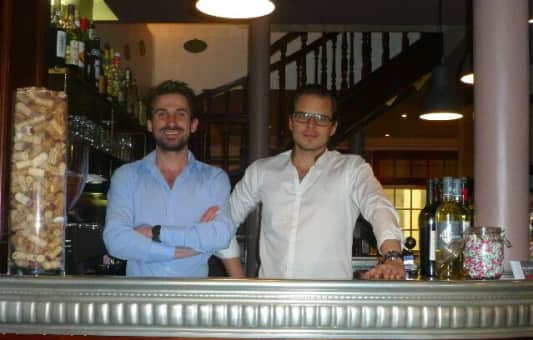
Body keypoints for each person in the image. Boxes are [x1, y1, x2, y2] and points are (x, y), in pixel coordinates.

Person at [218, 84, 404, 280]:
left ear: (333, 128)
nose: (311, 125)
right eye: (303, 116)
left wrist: (392, 256)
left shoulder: (352, 169)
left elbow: (377, 204)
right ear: (291, 122)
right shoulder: (261, 171)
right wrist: (240, 281)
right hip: (273, 296)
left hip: (330, 297)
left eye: (321, 118)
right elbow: (222, 224)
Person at [103, 80, 243, 278]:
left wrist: (154, 233)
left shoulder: (214, 179)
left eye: (180, 114)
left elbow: (220, 235)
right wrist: (188, 248)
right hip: (140, 295)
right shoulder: (126, 176)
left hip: (193, 296)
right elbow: (116, 241)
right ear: (150, 124)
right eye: (162, 114)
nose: (171, 122)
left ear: (193, 125)